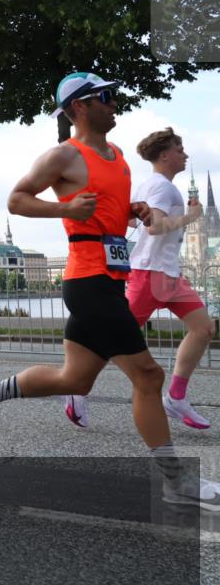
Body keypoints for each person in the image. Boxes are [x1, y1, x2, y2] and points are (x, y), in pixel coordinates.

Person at [0, 72, 219, 509]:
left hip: (111, 281)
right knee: (149, 376)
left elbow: (112, 217)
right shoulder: (64, 155)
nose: (115, 102)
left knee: (75, 378)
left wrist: (133, 211)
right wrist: (64, 207)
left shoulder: (117, 156)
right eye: (106, 96)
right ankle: (178, 482)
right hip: (89, 281)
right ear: (80, 106)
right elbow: (16, 199)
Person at [62, 127, 212, 430]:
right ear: (165, 155)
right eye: (180, 149)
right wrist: (189, 219)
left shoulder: (149, 186)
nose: (185, 155)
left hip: (168, 274)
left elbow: (132, 219)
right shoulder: (161, 188)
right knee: (115, 338)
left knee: (204, 328)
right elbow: (155, 227)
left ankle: (176, 397)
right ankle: (76, 388)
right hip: (149, 274)